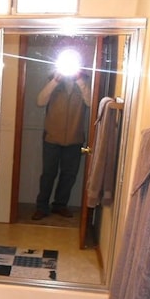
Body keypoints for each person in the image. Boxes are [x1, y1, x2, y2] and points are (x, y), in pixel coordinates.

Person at [32, 70, 91, 220]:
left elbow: (91, 102)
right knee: (48, 174)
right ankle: (42, 207)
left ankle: (60, 205)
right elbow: (40, 101)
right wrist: (55, 81)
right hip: (52, 137)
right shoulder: (53, 80)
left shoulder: (85, 82)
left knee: (69, 175)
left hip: (74, 138)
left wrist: (79, 80)